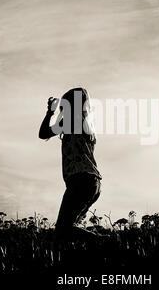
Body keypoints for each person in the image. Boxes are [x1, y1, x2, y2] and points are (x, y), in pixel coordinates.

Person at [39, 87, 102, 240]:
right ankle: (100, 247)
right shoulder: (87, 125)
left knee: (63, 230)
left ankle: (105, 242)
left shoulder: (72, 120)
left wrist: (50, 112)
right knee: (67, 230)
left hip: (80, 180)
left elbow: (43, 134)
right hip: (92, 182)